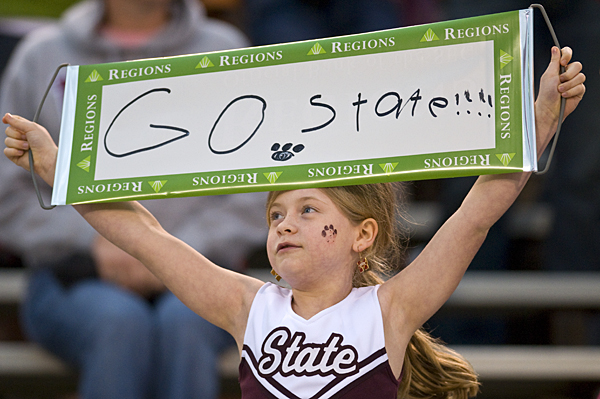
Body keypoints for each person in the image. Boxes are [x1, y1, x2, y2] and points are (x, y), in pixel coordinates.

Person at [3, 46, 585, 397]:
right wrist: (59, 168)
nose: (284, 224)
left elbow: (474, 216)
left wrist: (538, 124)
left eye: (308, 211)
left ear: (364, 235)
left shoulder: (389, 311)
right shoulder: (248, 306)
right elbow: (144, 236)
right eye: (277, 213)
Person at [0, 0, 268, 398]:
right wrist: (96, 241)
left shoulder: (225, 49)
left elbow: (259, 183)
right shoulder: (42, 55)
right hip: (72, 276)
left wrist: (166, 252)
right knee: (118, 324)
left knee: (184, 325)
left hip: (205, 270)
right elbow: (9, 190)